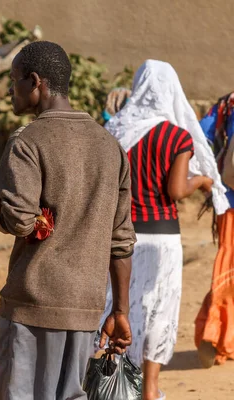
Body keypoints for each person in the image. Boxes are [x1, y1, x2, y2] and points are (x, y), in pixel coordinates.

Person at [0, 41, 136, 400]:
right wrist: (120, 311)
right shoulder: (109, 145)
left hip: (32, 303)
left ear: (35, 82)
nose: (10, 90)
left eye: (14, 80)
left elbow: (22, 220)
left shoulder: (27, 142)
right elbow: (121, 239)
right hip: (85, 308)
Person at [100, 60, 229, 400]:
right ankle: (150, 389)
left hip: (121, 235)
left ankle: (118, 382)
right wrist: (201, 180)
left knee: (121, 305)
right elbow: (175, 191)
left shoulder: (117, 132)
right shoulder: (176, 136)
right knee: (158, 311)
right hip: (163, 237)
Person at [194, 92, 234, 367]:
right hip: (229, 202)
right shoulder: (226, 108)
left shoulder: (226, 106)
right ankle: (219, 335)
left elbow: (198, 138)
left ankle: (217, 334)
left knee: (228, 266)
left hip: (229, 201)